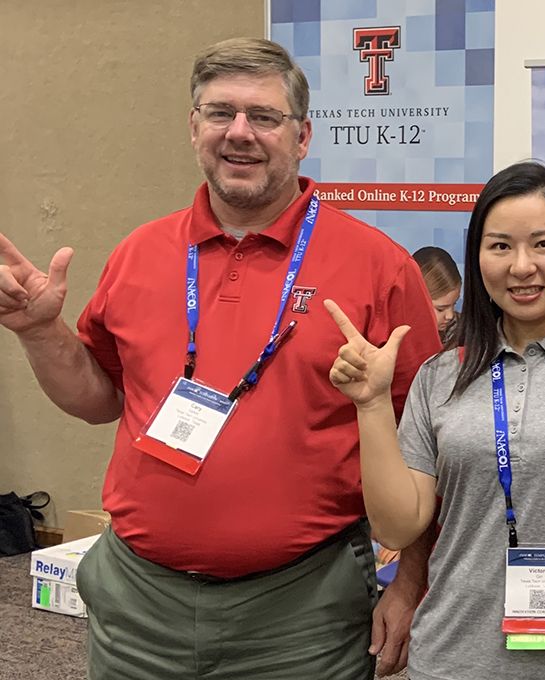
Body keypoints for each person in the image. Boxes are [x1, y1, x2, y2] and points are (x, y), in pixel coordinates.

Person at [0, 38, 442, 679]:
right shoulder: (141, 252)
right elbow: (100, 399)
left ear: (303, 135)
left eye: (264, 116)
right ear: (194, 127)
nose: (240, 133)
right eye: (220, 113)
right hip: (139, 603)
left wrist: (410, 584)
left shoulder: (379, 267)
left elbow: (431, 445)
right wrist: (41, 333)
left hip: (303, 610)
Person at [325, 161, 545, 680]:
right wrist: (372, 405)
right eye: (501, 246)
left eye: (544, 244)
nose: (521, 267)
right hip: (447, 659)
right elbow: (397, 525)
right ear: (479, 257)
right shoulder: (441, 376)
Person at [412, 245, 462, 346]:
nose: (450, 316)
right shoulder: (395, 336)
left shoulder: (463, 332)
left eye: (454, 304)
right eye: (441, 309)